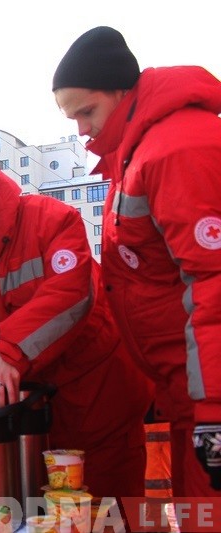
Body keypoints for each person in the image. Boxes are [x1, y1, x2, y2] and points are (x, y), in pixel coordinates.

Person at [0, 143, 153, 501]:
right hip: (27, 406)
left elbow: (72, 293)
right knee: (35, 504)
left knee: (106, 501)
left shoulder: (49, 221)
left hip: (99, 389)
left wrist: (11, 350)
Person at [52, 26, 221, 497]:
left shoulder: (175, 150)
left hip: (203, 390)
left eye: (87, 111)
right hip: (186, 386)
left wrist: (214, 407)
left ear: (122, 91)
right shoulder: (137, 153)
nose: (82, 128)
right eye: (73, 117)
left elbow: (213, 280)